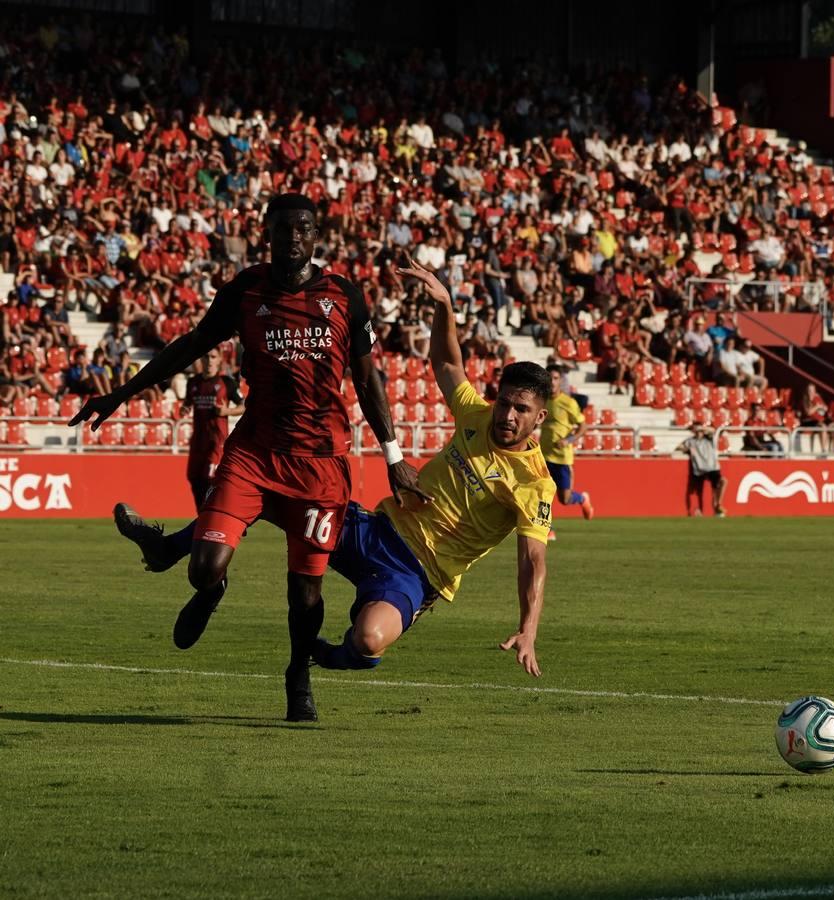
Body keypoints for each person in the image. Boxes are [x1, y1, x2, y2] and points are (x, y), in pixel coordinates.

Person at [114, 255, 557, 680]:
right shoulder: (477, 415)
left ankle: (321, 655)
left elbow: (533, 561)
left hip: (418, 574)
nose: (507, 416)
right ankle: (170, 548)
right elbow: (446, 363)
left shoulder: (534, 483)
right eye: (504, 403)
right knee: (271, 494)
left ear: (539, 417)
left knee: (368, 639)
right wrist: (444, 305)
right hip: (374, 531)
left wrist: (529, 628)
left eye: (520, 409)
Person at [71, 193, 426, 722]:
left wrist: (393, 454)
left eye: (303, 228)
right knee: (204, 569)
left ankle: (298, 674)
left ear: (316, 235)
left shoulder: (344, 296)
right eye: (283, 228)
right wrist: (121, 394)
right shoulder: (245, 291)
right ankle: (209, 587)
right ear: (267, 233)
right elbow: (189, 346)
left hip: (320, 465)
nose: (294, 237)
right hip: (254, 454)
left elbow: (368, 379)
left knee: (305, 594)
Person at [181, 348, 245, 509]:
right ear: (201, 360)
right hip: (198, 440)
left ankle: (217, 513)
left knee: (209, 479)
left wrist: (227, 411)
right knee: (194, 477)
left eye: (213, 357)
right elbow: (187, 404)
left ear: (219, 360)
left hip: (217, 441)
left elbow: (244, 405)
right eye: (206, 357)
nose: (209, 360)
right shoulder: (193, 382)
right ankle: (202, 515)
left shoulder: (227, 382)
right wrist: (184, 409)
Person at [540, 363, 594, 540]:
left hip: (562, 459)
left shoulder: (568, 403)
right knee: (541, 493)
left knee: (564, 499)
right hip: (543, 456)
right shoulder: (541, 400)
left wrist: (568, 440)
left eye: (555, 378)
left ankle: (582, 499)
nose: (552, 382)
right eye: (549, 378)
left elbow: (583, 426)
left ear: (560, 381)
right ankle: (548, 529)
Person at [677, 423, 726, 517]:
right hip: (700, 469)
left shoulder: (709, 439)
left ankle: (718, 505)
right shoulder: (691, 441)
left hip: (713, 468)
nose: (699, 432)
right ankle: (707, 510)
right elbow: (678, 447)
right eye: (697, 430)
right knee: (696, 493)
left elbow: (715, 430)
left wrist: (702, 428)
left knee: (722, 482)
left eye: (700, 430)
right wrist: (687, 449)